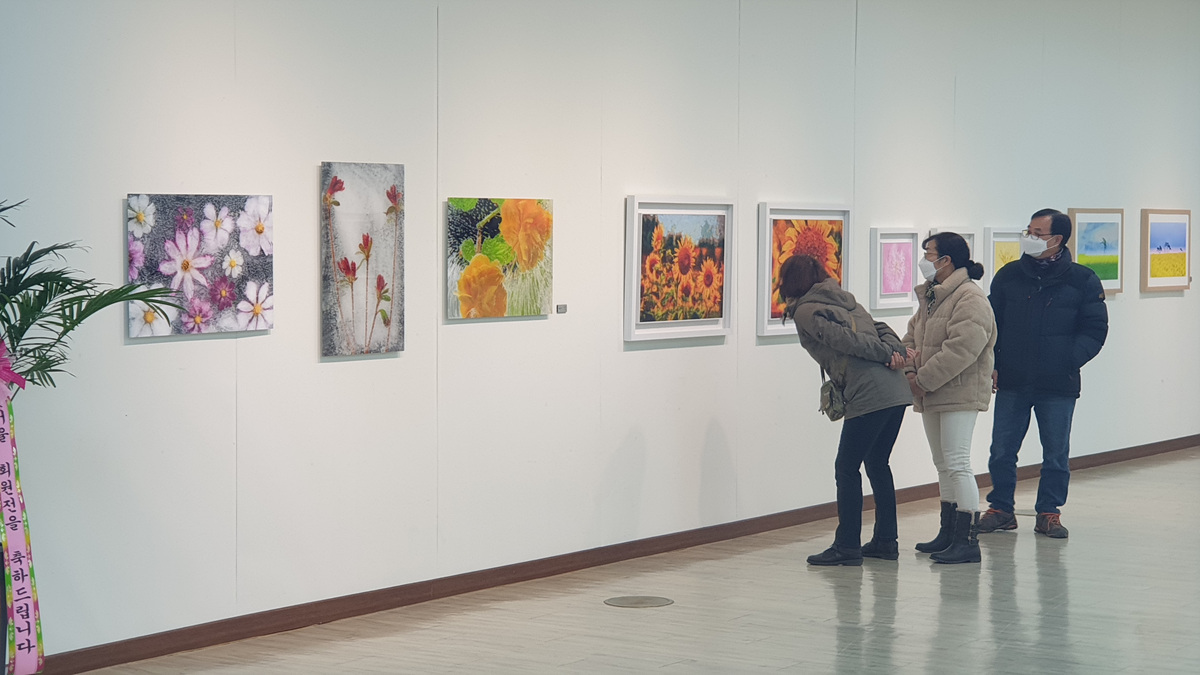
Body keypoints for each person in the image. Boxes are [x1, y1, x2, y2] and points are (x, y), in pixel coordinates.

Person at [979, 208, 1108, 538]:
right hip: (1012, 379)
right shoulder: (1009, 275)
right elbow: (992, 325)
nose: (1030, 238)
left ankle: (1049, 511)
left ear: (1058, 239)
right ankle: (1001, 509)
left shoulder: (1082, 279)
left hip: (1058, 383)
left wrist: (1067, 360)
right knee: (1002, 450)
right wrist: (994, 363)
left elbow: (1095, 330)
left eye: (1038, 233)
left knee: (1055, 453)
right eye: (1029, 231)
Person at [779, 254, 913, 566]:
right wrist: (895, 351)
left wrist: (889, 354)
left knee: (846, 468)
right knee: (877, 463)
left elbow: (847, 342)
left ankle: (847, 545)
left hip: (870, 393)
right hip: (895, 391)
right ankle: (886, 541)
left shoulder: (806, 311)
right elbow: (880, 328)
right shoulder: (845, 300)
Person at [901, 232, 997, 564]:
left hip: (958, 391)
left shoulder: (970, 297)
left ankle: (967, 540)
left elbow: (962, 349)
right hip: (930, 390)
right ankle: (948, 532)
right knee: (942, 464)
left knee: (957, 463)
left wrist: (922, 380)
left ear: (946, 260)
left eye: (929, 254)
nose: (924, 260)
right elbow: (911, 337)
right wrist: (910, 372)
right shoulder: (932, 296)